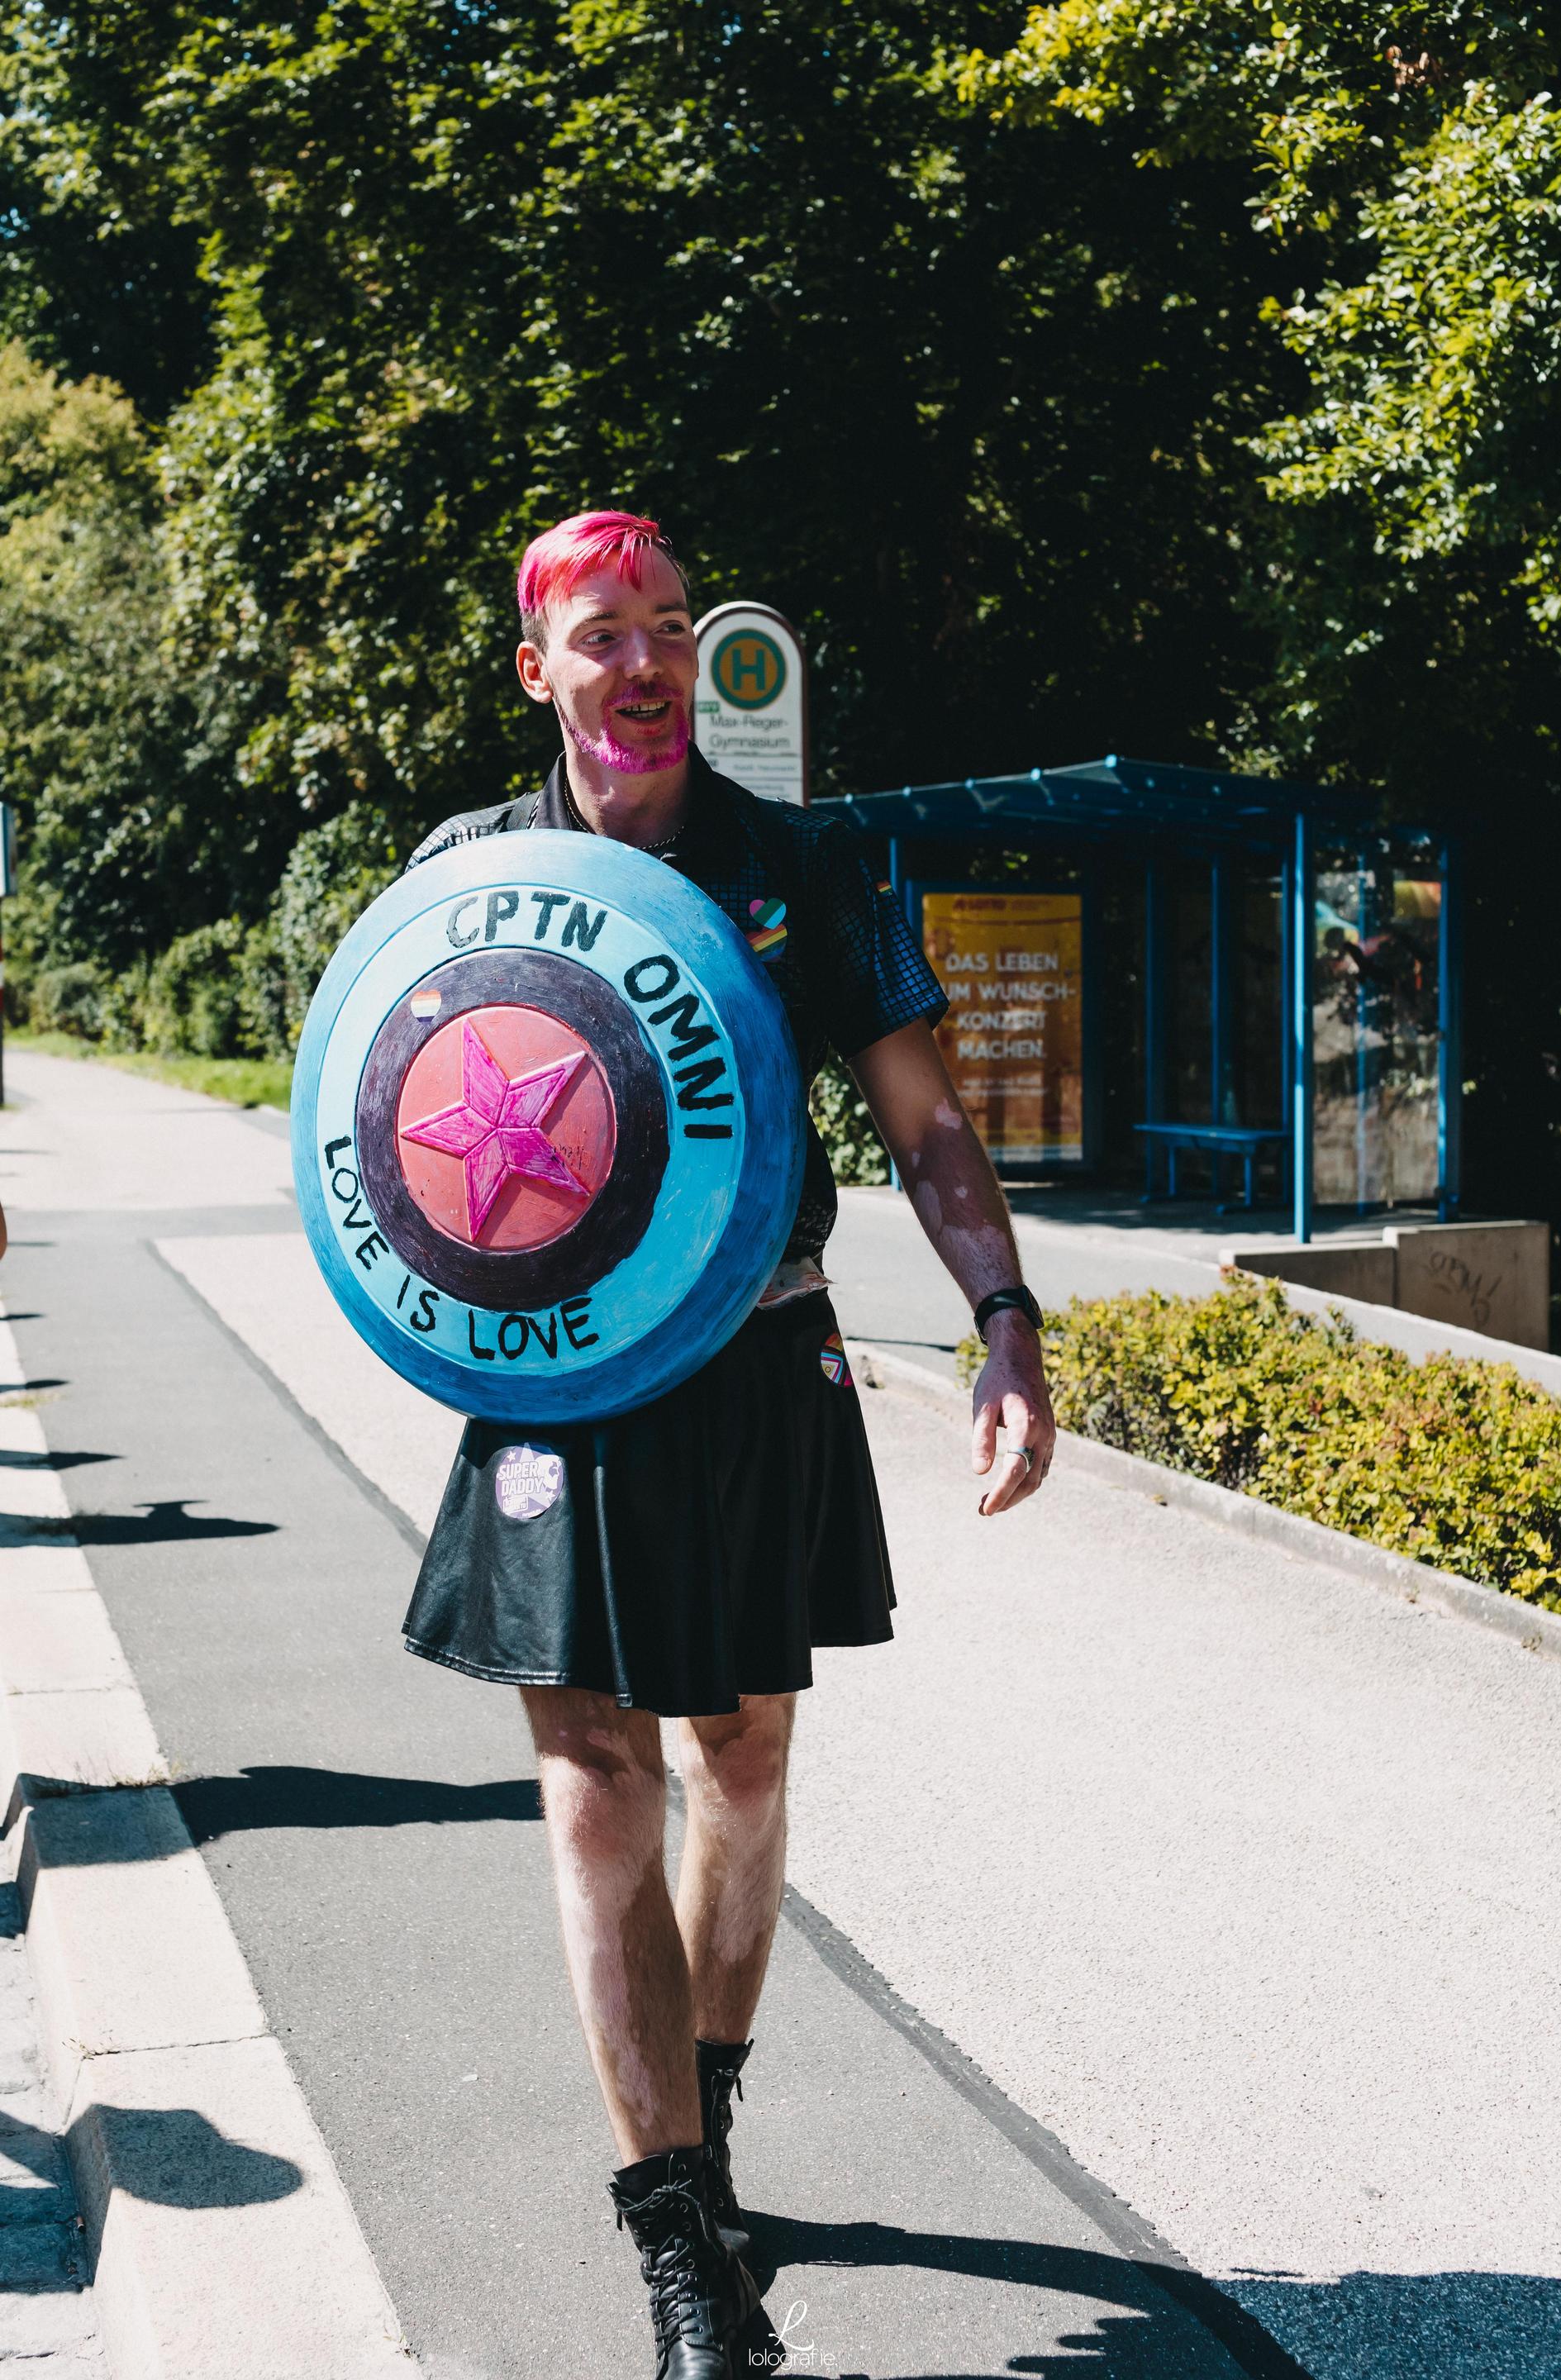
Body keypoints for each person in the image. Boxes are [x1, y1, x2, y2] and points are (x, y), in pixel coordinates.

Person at [403, 510, 1056, 2378]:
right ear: (539, 668)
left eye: (670, 629)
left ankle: (704, 2117)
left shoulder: (802, 870)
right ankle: (684, 2249)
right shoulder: (466, 879)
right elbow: (397, 1136)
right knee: (597, 1769)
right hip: (564, 1392)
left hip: (768, 1359)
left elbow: (926, 1124)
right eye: (604, 634)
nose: (647, 666)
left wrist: (1005, 1317)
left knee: (741, 1756)